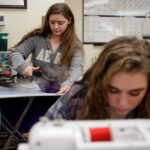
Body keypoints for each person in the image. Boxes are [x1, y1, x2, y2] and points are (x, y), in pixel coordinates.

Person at [45, 36, 150, 120]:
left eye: (135, 93)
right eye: (112, 90)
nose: (122, 103)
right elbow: (45, 136)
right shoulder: (78, 96)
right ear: (100, 80)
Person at [9, 2, 84, 94]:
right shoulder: (36, 38)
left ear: (69, 21)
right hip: (36, 91)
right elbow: (16, 53)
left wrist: (69, 83)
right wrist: (24, 67)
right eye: (52, 22)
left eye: (60, 23)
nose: (55, 27)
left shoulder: (75, 45)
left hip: (60, 91)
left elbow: (77, 69)